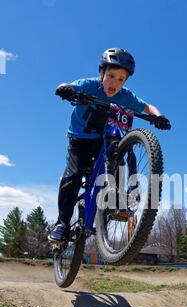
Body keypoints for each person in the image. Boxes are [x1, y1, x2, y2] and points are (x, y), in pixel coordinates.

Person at [48, 48, 171, 242]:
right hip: (79, 139)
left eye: (121, 79)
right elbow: (69, 85)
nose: (115, 83)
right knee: (73, 175)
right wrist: (65, 89)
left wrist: (158, 116)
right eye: (111, 76)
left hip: (102, 141)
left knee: (118, 153)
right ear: (101, 73)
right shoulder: (89, 85)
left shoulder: (125, 96)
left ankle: (116, 200)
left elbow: (147, 107)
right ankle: (62, 223)